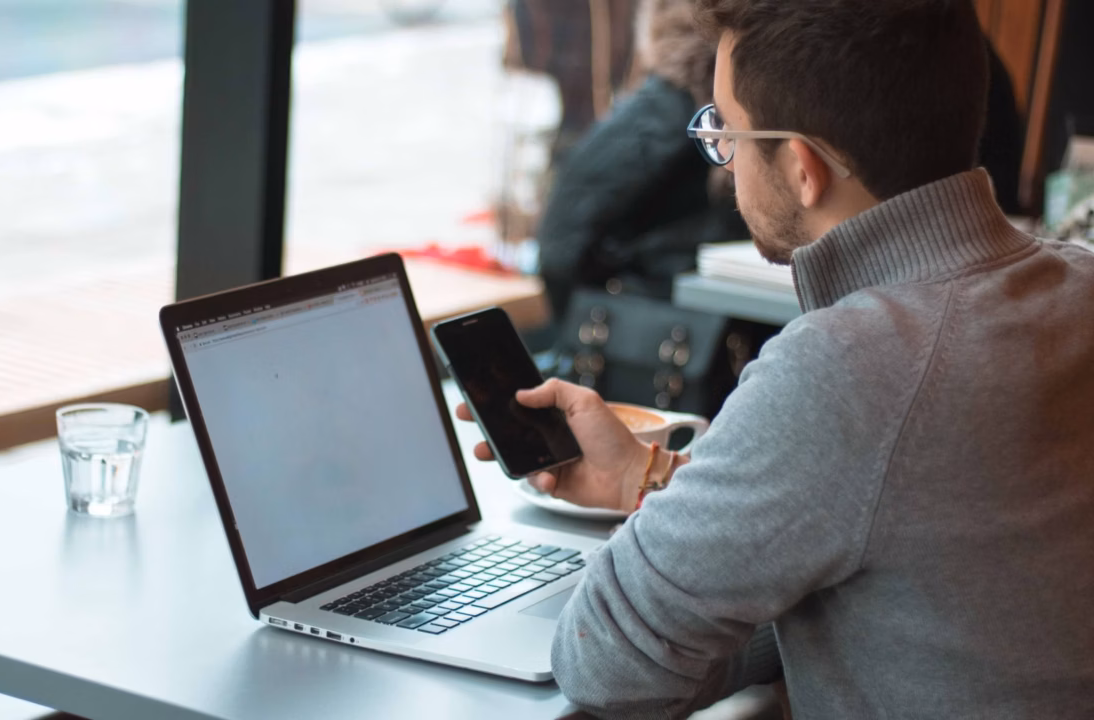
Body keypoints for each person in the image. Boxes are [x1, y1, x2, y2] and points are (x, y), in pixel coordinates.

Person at [458, 1, 1094, 717]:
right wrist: (650, 477)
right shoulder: (1076, 288)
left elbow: (603, 661)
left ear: (801, 168)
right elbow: (897, 559)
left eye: (726, 130)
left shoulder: (848, 365)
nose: (723, 160)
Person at [535, 0, 747, 321]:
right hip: (717, 328)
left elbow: (560, 244)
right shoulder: (748, 116)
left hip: (669, 334)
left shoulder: (662, 111)